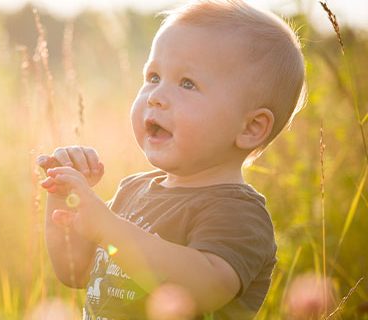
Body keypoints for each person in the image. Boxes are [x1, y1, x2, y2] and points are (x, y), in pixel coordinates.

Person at [36, 1, 306, 318]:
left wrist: (107, 226)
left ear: (250, 127)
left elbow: (205, 288)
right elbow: (76, 271)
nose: (155, 96)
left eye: (187, 83)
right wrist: (66, 200)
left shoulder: (237, 213)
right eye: (153, 77)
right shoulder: (133, 191)